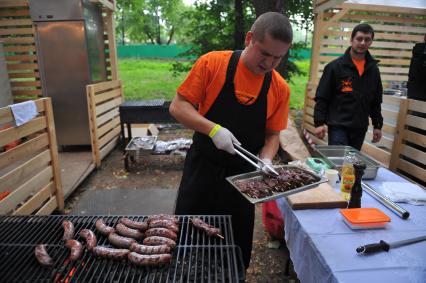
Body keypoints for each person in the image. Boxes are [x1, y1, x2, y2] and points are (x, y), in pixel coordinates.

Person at [169, 12, 292, 269]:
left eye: (278, 58)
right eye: (265, 53)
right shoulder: (213, 64)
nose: (269, 63)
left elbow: (272, 135)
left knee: (233, 255)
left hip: (243, 181)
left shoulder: (280, 88)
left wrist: (267, 158)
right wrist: (213, 130)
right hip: (202, 171)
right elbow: (179, 107)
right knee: (186, 244)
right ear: (249, 38)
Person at [313, 23, 383, 150]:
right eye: (359, 38)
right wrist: (319, 123)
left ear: (371, 42)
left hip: (360, 128)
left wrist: (377, 125)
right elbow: (322, 97)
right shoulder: (335, 67)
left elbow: (376, 100)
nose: (362, 43)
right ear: (351, 40)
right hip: (338, 126)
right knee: (339, 163)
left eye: (367, 40)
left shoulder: (373, 70)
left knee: (350, 167)